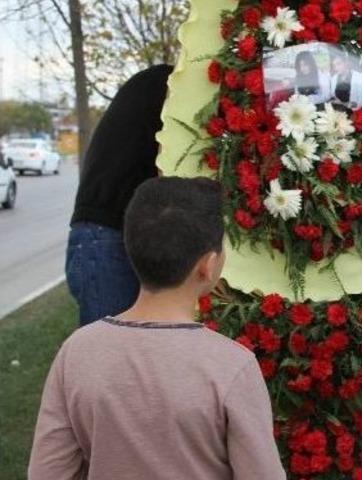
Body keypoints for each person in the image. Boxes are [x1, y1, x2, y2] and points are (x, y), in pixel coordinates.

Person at [29, 177, 287, 480]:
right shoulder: (232, 366)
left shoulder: (77, 351)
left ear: (130, 248)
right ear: (208, 264)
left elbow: (47, 471)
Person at [67, 65, 173, 327]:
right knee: (110, 358)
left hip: (108, 234)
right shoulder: (172, 88)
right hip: (106, 235)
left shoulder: (154, 81)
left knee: (125, 352)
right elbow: (171, 173)